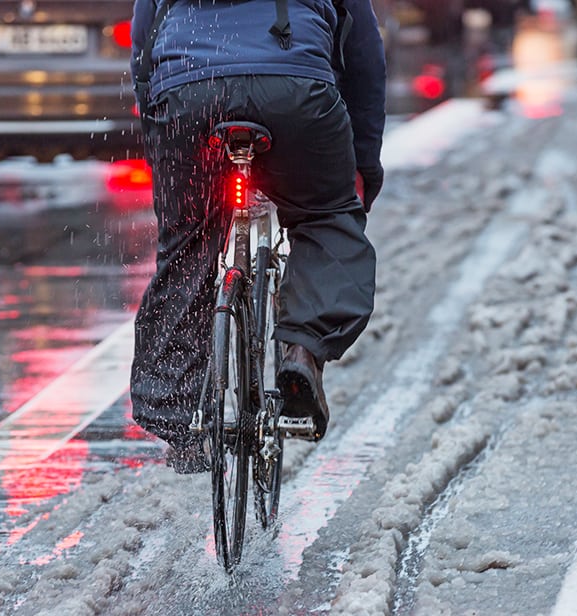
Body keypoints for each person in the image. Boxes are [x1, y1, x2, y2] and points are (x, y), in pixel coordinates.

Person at [129, 0, 386, 473]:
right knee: (323, 218)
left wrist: (164, 139)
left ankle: (176, 412)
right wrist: (363, 165)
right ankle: (302, 352)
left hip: (187, 90)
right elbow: (365, 58)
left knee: (187, 245)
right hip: (294, 88)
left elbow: (143, 44)